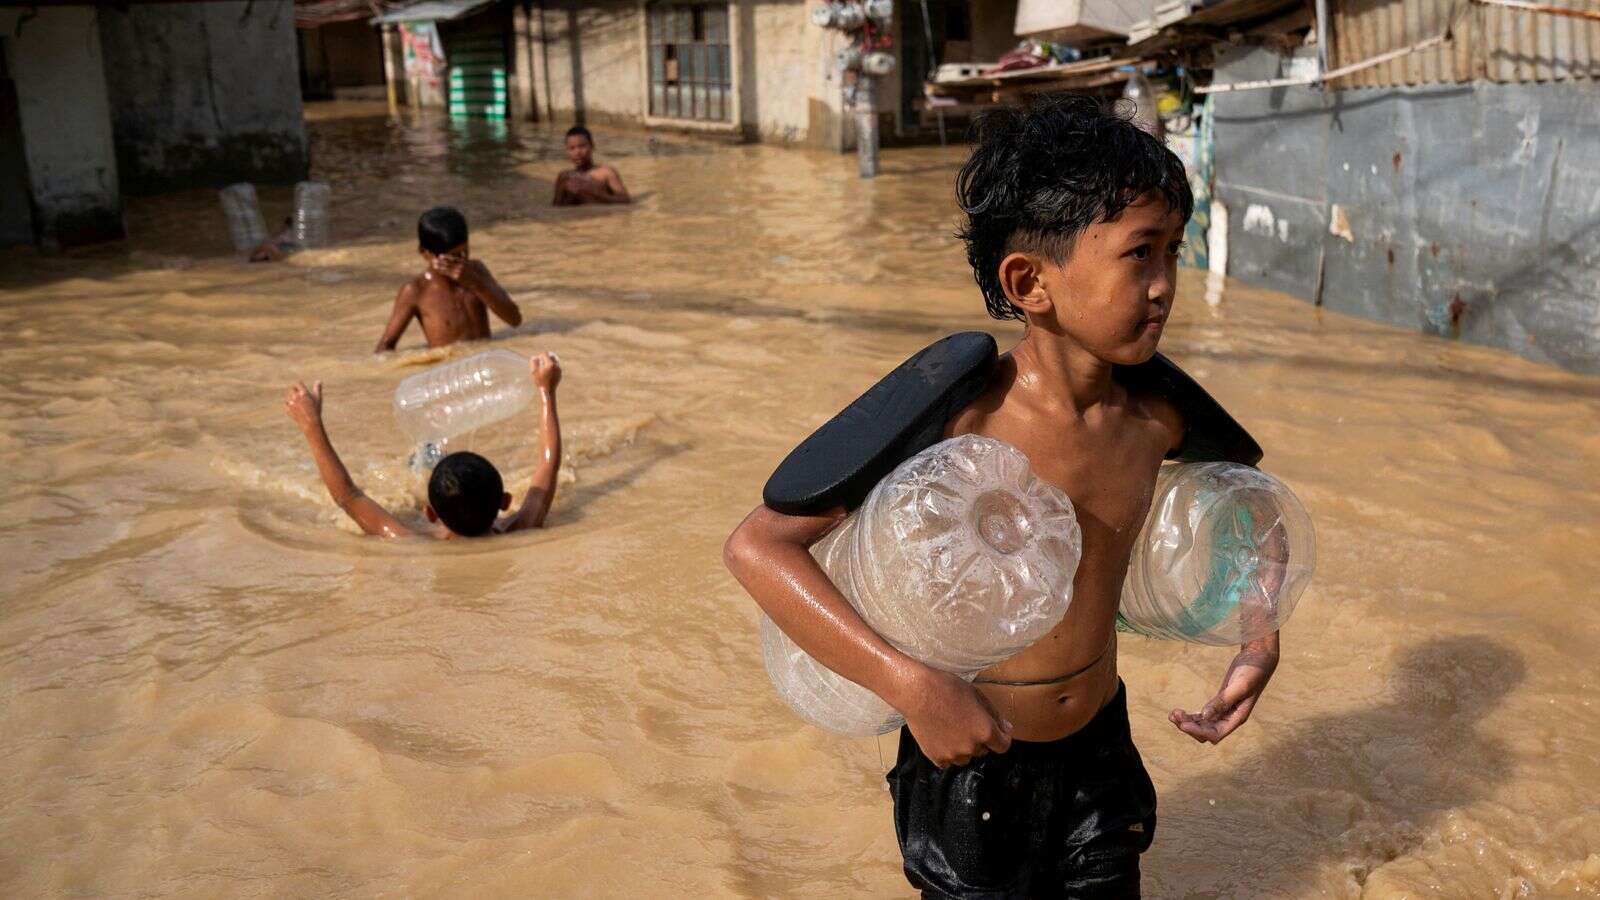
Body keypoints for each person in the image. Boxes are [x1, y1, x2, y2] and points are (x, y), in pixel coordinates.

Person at [724, 95, 1279, 897]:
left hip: (1098, 749)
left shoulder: (1156, 416)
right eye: (1138, 255)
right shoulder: (960, 415)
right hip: (968, 761)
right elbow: (758, 546)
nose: (1164, 286)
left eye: (1173, 252)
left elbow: (1254, 502)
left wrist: (1258, 638)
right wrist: (909, 686)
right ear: (1031, 282)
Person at [283, 352, 562, 539]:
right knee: (428, 456)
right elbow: (548, 465)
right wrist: (545, 392)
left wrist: (311, 425)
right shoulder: (522, 528)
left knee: (422, 459)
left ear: (430, 513)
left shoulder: (409, 543)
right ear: (505, 501)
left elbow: (349, 497)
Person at [374, 206, 523, 352]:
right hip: (451, 371)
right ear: (425, 253)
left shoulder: (477, 271)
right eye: (454, 256)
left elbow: (515, 319)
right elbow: (386, 346)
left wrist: (476, 284)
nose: (462, 260)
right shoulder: (416, 291)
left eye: (465, 252)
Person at [552, 125, 630, 206]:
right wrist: (568, 194)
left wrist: (595, 193)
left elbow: (625, 200)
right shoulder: (564, 176)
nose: (577, 152)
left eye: (582, 146)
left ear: (592, 146)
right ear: (567, 151)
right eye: (572, 148)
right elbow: (556, 208)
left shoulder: (606, 173)